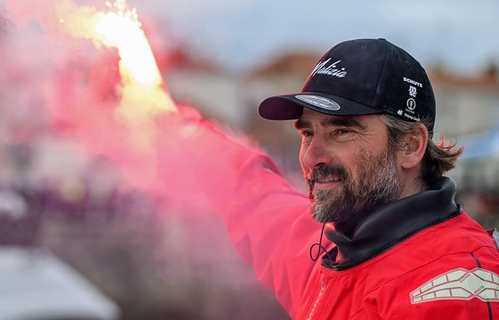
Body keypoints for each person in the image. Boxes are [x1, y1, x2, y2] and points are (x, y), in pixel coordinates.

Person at [181, 38, 499, 320]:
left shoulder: (453, 289)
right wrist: (174, 122)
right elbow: (253, 194)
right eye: (307, 133)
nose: (310, 155)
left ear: (410, 145)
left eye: (341, 131)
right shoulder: (335, 248)